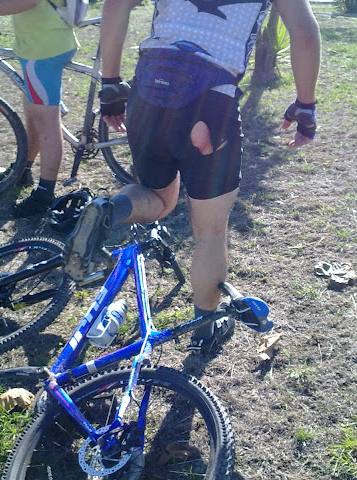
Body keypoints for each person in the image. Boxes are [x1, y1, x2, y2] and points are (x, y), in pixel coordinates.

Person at [63, 0, 321, 354]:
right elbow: (304, 35)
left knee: (157, 197)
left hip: (150, 86)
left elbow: (117, 3)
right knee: (210, 232)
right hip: (211, 99)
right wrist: (305, 104)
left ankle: (109, 209)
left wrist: (109, 82)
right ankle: (203, 332)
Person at [0, 0, 78, 218]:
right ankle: (23, 169)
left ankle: (44, 195)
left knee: (46, 123)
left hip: (43, 48)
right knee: (34, 117)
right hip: (43, 42)